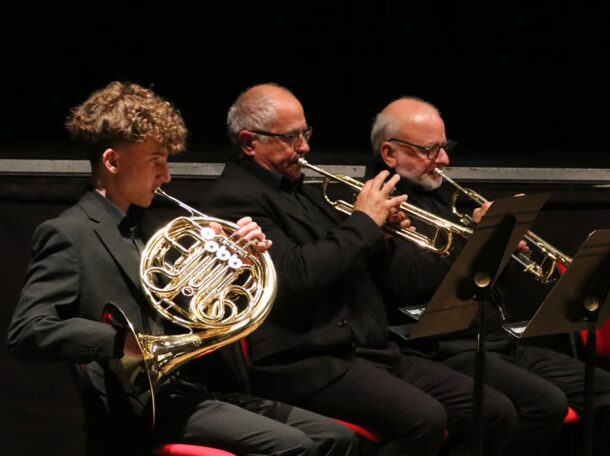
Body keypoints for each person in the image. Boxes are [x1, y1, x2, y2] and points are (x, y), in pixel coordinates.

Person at [7, 81, 359, 456]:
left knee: (339, 438)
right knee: (294, 447)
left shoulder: (148, 228)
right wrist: (121, 343)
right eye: (156, 161)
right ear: (112, 161)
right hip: (141, 407)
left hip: (195, 388)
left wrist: (233, 262)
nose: (167, 176)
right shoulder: (69, 233)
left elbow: (188, 312)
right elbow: (28, 331)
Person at [202, 83, 518, 456]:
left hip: (368, 350)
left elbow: (342, 255)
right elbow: (295, 277)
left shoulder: (302, 191)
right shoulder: (231, 200)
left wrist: (381, 235)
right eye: (290, 138)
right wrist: (364, 225)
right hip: (304, 362)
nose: (304, 147)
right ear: (249, 142)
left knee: (493, 411)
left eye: (305, 134)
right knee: (423, 421)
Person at [370, 96, 610, 455]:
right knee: (543, 405)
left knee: (604, 389)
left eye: (445, 147)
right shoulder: (377, 206)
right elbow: (405, 283)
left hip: (494, 336)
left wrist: (500, 252)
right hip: (442, 348)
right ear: (389, 154)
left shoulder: (436, 195)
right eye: (431, 149)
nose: (446, 160)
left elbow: (477, 283)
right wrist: (477, 241)